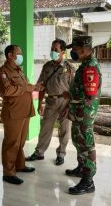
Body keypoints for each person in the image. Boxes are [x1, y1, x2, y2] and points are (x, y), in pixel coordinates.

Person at [0, 45, 41, 185]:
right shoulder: (3, 72)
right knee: (11, 143)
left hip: (24, 111)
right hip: (13, 113)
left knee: (20, 142)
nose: (21, 56)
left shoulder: (18, 70)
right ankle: (8, 173)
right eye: (19, 53)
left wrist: (34, 87)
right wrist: (28, 87)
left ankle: (19, 165)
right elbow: (8, 90)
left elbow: (22, 88)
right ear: (10, 55)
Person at [25, 39, 75, 166]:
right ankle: (39, 153)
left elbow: (74, 88)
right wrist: (39, 103)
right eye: (52, 49)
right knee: (45, 128)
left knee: (64, 129)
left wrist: (71, 104)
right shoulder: (47, 66)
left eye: (56, 50)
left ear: (63, 52)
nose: (53, 52)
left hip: (65, 102)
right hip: (50, 101)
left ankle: (61, 154)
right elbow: (41, 86)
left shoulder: (70, 68)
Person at [65, 36, 102, 195]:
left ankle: (88, 181)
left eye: (74, 49)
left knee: (86, 145)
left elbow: (90, 95)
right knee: (78, 141)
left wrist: (72, 98)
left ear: (84, 49)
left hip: (84, 113)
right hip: (78, 112)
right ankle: (81, 168)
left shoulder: (89, 68)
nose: (72, 52)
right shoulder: (85, 65)